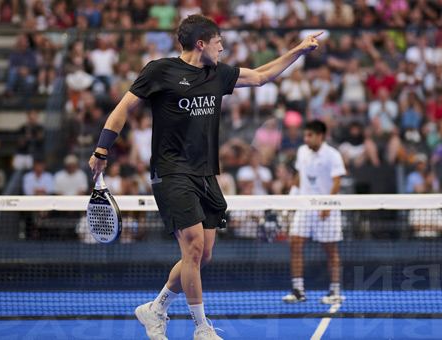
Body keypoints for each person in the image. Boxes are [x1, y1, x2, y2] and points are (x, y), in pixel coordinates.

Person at [88, 14, 323, 340]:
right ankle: (202, 328)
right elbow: (123, 108)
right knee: (194, 248)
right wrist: (102, 150)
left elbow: (260, 76)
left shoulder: (218, 74)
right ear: (201, 44)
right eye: (218, 42)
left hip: (206, 174)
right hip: (171, 172)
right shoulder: (160, 70)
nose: (222, 47)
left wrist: (297, 50)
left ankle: (155, 309)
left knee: (201, 255)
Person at [283, 120, 347, 304]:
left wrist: (326, 204)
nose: (306, 139)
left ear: (321, 136)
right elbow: (298, 177)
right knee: (294, 243)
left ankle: (334, 291)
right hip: (304, 205)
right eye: (305, 135)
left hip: (325, 208)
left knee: (330, 248)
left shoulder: (333, 155)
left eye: (310, 135)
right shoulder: (302, 151)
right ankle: (298, 291)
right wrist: (290, 201)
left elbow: (337, 182)